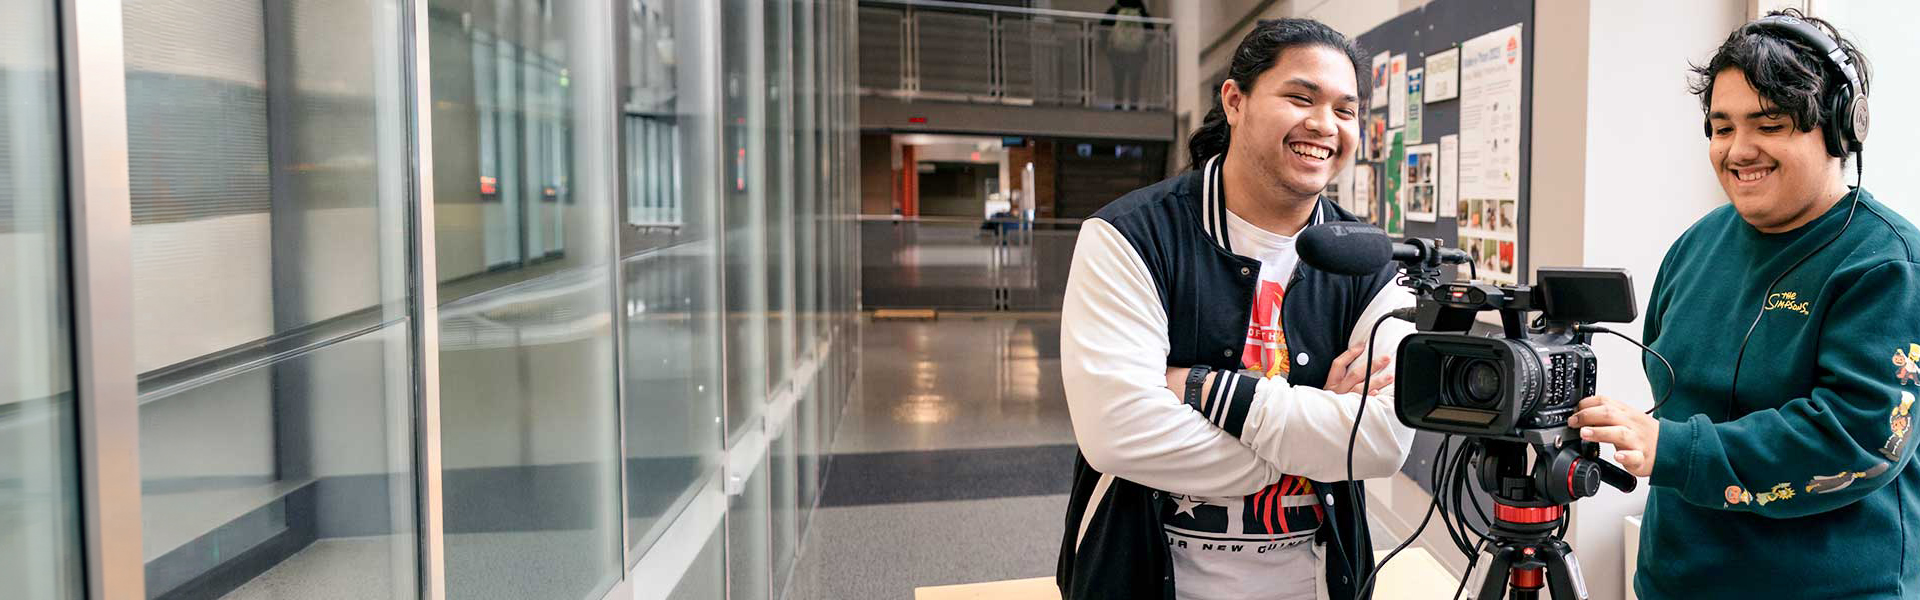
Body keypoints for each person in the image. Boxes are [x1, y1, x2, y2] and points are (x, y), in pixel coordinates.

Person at [1055, 18, 1415, 600]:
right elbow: (1118, 433)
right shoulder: (1129, 237)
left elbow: (1382, 442)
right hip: (1140, 579)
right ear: (1235, 101)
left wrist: (1203, 390)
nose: (1324, 124)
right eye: (1301, 97)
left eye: (1345, 110)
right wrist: (1306, 443)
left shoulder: (1370, 260)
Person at [1569, 10, 1920, 598]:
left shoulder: (1888, 265)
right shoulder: (1696, 245)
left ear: (1840, 130)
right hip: (1674, 581)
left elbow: (1859, 440)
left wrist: (1673, 447)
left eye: (1769, 124)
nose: (1738, 150)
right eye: (1721, 127)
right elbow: (1671, 384)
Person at [1102, 0, 1155, 110]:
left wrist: (1107, 43)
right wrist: (1142, 41)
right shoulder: (1140, 10)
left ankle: (1118, 105)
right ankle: (1133, 105)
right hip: (1137, 52)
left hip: (1117, 52)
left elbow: (1103, 26)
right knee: (1135, 80)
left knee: (1118, 80)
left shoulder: (1116, 8)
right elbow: (1151, 31)